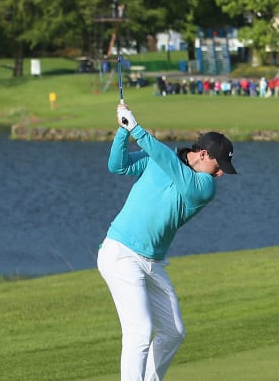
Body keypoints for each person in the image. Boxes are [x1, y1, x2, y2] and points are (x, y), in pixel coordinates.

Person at [98, 103, 237, 380]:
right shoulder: (160, 159)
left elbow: (169, 163)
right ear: (203, 154)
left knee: (174, 332)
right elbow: (117, 165)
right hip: (121, 253)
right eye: (219, 165)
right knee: (139, 331)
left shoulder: (205, 187)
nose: (221, 173)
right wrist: (124, 131)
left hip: (152, 262)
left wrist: (137, 129)